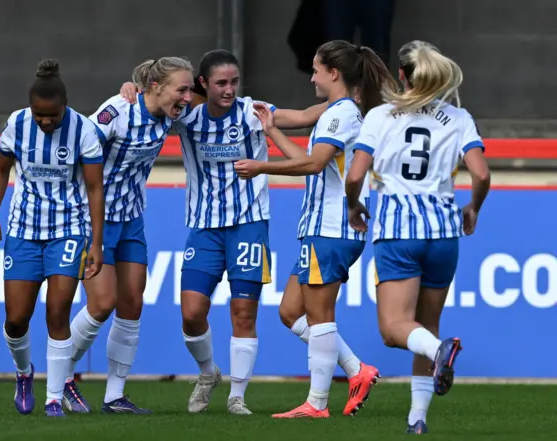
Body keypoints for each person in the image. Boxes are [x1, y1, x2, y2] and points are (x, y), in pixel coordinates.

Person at [119, 48, 328, 415]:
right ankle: (207, 374)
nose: (229, 90)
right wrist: (131, 88)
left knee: (243, 314)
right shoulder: (186, 117)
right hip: (203, 228)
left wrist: (349, 102)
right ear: (203, 84)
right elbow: (155, 100)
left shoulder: (252, 111)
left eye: (234, 82)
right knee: (192, 312)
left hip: (249, 224)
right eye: (220, 83)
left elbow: (307, 116)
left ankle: (237, 397)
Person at [234, 40, 396, 418]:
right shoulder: (336, 112)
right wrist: (272, 132)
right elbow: (312, 161)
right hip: (319, 229)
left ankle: (316, 404)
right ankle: (357, 370)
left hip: (333, 228)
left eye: (316, 70)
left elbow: (313, 163)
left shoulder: (342, 115)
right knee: (291, 311)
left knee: (321, 316)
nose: (312, 77)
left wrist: (262, 167)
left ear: (333, 74)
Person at [344, 40, 491, 434]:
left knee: (395, 330)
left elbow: (355, 174)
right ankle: (417, 419)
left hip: (397, 233)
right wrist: (473, 208)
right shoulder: (459, 118)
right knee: (425, 327)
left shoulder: (379, 116)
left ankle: (439, 353)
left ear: (403, 75)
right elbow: (481, 173)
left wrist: (353, 205)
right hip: (444, 234)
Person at [62, 56, 195, 414]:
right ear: (156, 87)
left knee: (132, 303)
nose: (187, 96)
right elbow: (77, 147)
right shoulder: (118, 111)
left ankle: (114, 396)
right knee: (102, 303)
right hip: (94, 221)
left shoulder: (174, 113)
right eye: (181, 89)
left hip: (132, 218)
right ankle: (60, 375)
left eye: (189, 89)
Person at [0, 59, 104, 417]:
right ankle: (24, 374)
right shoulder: (16, 124)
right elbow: (0, 169)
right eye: (40, 115)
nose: (45, 121)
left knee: (58, 312)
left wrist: (95, 243)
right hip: (23, 230)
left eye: (52, 115)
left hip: (67, 230)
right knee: (16, 318)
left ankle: (54, 396)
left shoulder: (83, 130)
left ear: (64, 107)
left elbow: (95, 189)